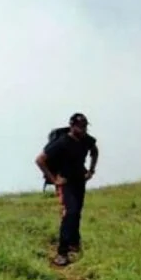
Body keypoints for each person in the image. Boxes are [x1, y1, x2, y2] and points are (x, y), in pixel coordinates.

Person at [35, 112, 98, 267]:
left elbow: (95, 151)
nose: (82, 129)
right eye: (79, 126)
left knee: (76, 213)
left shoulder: (86, 140)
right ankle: (61, 253)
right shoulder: (62, 142)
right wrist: (53, 179)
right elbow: (40, 160)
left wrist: (91, 170)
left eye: (84, 126)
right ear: (72, 125)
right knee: (69, 213)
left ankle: (74, 245)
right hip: (65, 182)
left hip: (79, 181)